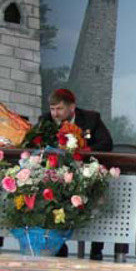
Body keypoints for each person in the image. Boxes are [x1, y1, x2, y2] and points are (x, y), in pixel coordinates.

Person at [39, 88, 113, 260]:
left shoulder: (91, 119)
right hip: (58, 175)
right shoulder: (45, 120)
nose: (55, 113)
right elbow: (36, 143)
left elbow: (106, 144)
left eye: (59, 109)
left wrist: (83, 151)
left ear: (72, 107)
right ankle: (58, 246)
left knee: (96, 199)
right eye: (52, 109)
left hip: (86, 173)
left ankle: (96, 251)